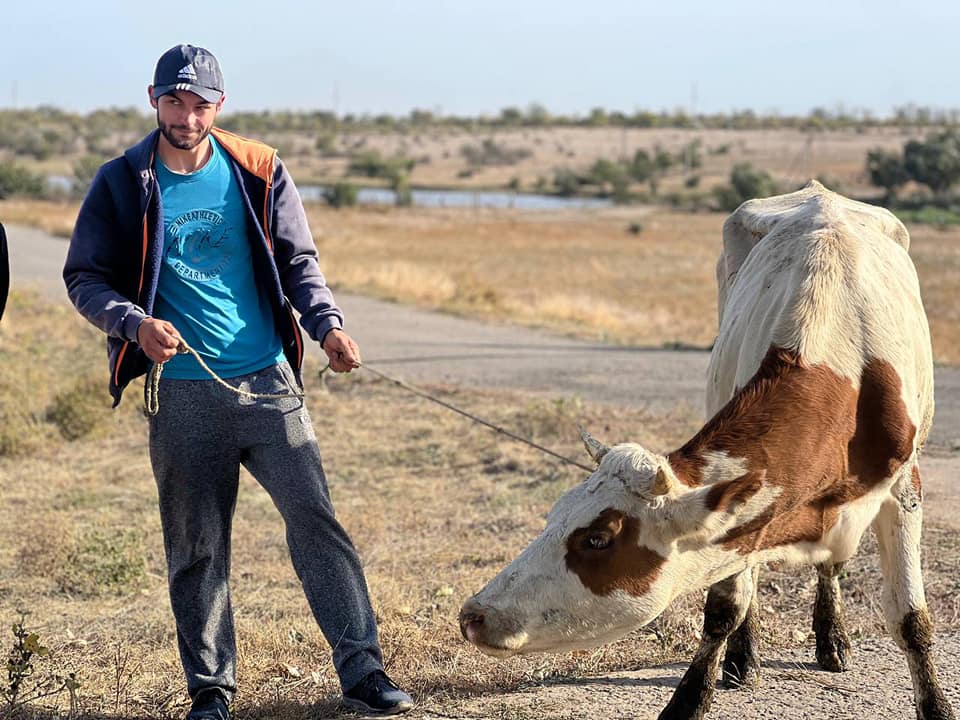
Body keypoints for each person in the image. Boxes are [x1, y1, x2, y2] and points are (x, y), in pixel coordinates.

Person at [63, 44, 413, 718]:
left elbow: (298, 261)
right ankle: (212, 692)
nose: (186, 117)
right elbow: (84, 277)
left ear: (218, 106)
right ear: (153, 98)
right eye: (174, 101)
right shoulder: (119, 181)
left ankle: (363, 672)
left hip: (267, 382)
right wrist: (133, 323)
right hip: (183, 391)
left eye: (199, 105)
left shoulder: (257, 167)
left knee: (317, 522)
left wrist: (328, 325)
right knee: (197, 545)